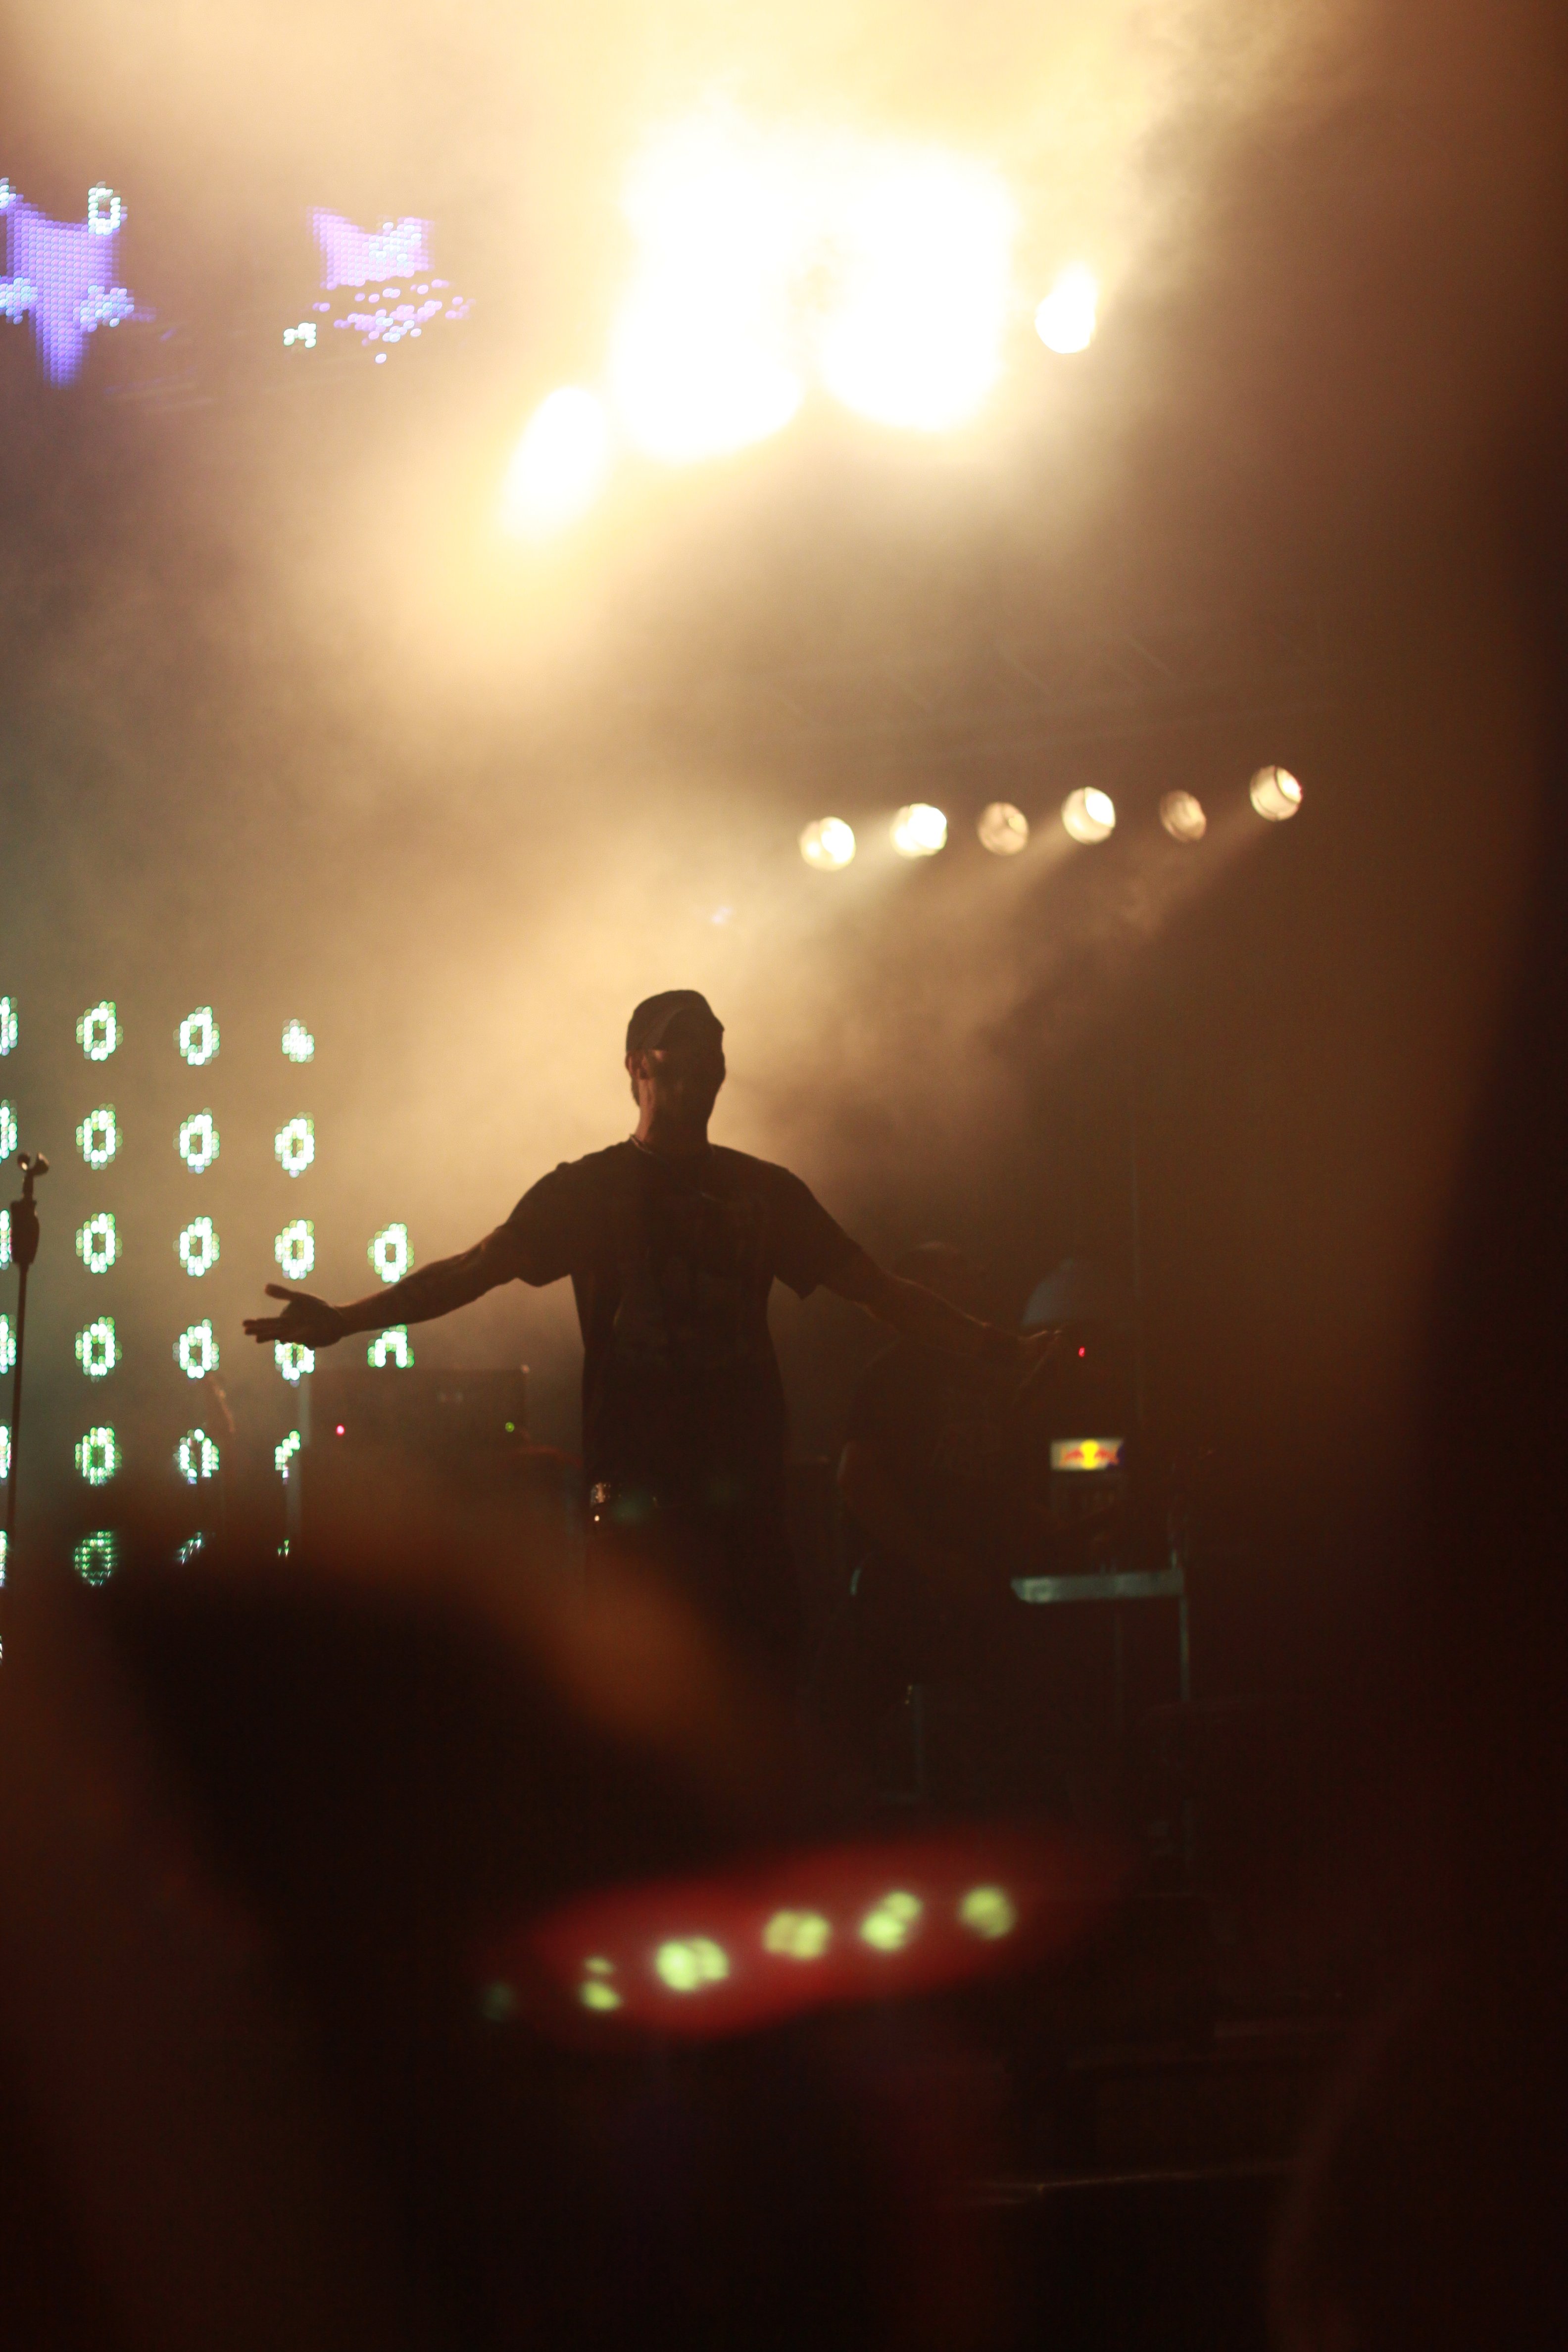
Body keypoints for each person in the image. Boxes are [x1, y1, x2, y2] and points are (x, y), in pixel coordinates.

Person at [245, 992, 1059, 1680]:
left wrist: (999, 1348)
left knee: (757, 1694)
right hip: (638, 1493)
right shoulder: (590, 1189)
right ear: (637, 1064)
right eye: (683, 1045)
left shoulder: (765, 1192)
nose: (704, 1060)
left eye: (715, 1047)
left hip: (744, 1494)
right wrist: (345, 1319)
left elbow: (879, 1292)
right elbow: (477, 1268)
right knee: (647, 1687)